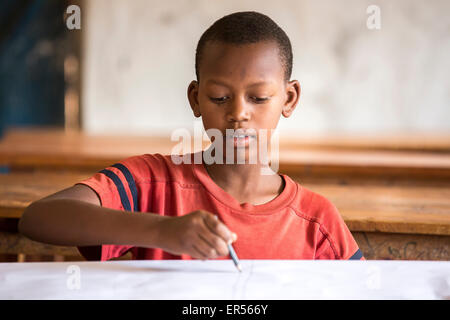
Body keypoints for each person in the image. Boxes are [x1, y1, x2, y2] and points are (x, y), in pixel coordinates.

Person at [19, 11, 364, 261]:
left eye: (258, 98)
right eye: (219, 97)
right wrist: (162, 232)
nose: (239, 113)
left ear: (289, 99)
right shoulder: (153, 184)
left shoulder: (316, 221)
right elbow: (40, 217)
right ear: (195, 99)